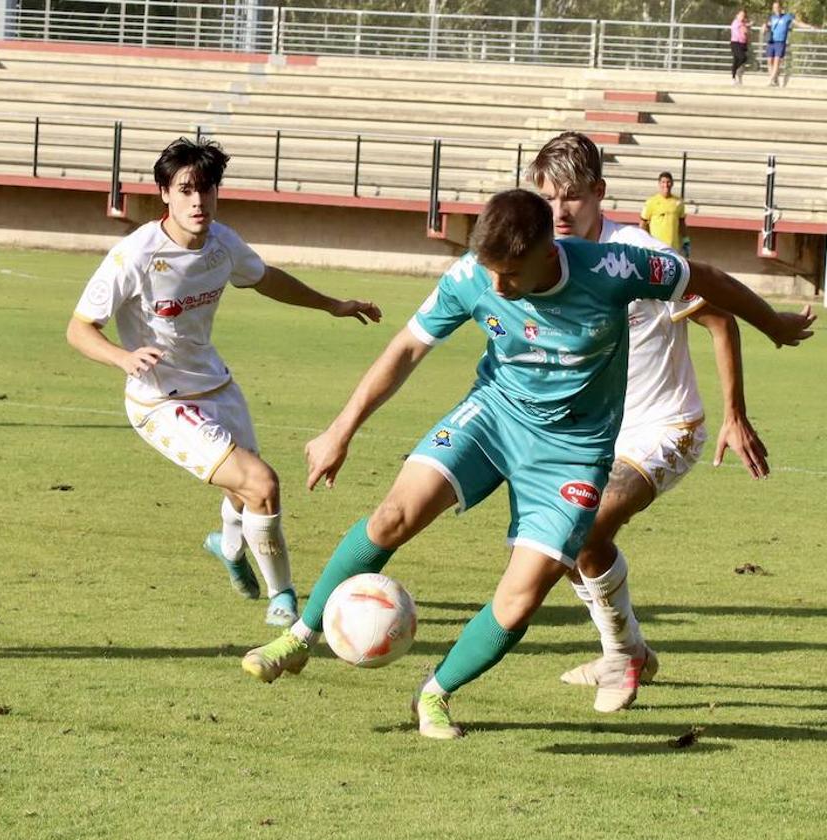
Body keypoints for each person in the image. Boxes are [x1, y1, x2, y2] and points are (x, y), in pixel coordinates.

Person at [240, 189, 814, 739]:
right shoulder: (472, 274)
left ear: (548, 252)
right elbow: (407, 348)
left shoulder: (611, 268)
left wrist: (777, 326)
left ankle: (435, 693)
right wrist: (342, 428)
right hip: (493, 416)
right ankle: (299, 634)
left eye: (510, 274)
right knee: (395, 513)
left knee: (520, 597)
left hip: (575, 452)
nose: (496, 284)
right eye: (489, 269)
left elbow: (707, 280)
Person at [66, 138, 381, 627]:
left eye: (207, 189)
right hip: (159, 402)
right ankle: (285, 601)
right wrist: (122, 357)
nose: (199, 201)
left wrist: (333, 304)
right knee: (262, 484)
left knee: (244, 495)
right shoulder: (135, 255)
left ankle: (229, 545)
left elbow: (266, 278)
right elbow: (79, 328)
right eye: (187, 190)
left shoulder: (221, 244)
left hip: (217, 388)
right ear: (164, 194)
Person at [526, 131, 768, 712]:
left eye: (574, 197)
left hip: (667, 426)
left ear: (599, 195)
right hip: (595, 435)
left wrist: (735, 414)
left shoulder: (635, 253)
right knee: (558, 544)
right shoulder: (540, 257)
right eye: (549, 197)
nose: (560, 211)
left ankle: (620, 659)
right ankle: (632, 649)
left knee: (587, 532)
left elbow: (718, 320)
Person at [763, 2, 818, 86]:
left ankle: (771, 80)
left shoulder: (787, 17)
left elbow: (798, 23)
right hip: (771, 41)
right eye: (774, 8)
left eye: (777, 7)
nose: (776, 9)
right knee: (770, 61)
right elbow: (767, 26)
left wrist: (809, 26)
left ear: (781, 8)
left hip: (780, 42)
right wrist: (764, 27)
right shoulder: (772, 17)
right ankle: (775, 80)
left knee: (777, 61)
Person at [640, 172, 687, 254]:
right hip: (656, 247)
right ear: (659, 184)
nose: (666, 185)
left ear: (672, 183)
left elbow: (682, 223)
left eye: (668, 182)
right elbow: (643, 224)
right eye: (663, 182)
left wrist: (686, 240)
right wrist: (643, 241)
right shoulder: (651, 202)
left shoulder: (678, 202)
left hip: (673, 248)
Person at [730, 9, 751, 85]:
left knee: (738, 60)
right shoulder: (736, 23)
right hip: (736, 43)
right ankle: (733, 71)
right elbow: (741, 29)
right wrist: (746, 25)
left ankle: (736, 77)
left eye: (744, 16)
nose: (742, 17)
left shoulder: (744, 24)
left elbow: (747, 34)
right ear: (737, 15)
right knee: (742, 57)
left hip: (743, 43)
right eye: (741, 15)